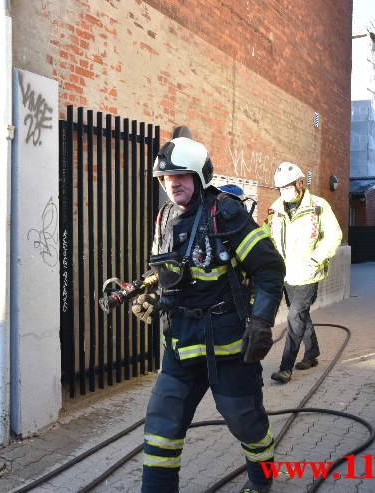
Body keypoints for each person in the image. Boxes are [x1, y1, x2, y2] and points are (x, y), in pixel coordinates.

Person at [131, 137, 285, 493]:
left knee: (246, 424)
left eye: (181, 175)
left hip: (229, 349)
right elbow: (168, 276)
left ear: (201, 175)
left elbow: (269, 269)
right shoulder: (165, 218)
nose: (173, 184)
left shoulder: (227, 214)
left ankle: (262, 483)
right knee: (160, 429)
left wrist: (262, 320)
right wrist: (155, 300)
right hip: (181, 349)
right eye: (166, 178)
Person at [264, 163, 342, 384]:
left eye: (288, 186)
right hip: (286, 275)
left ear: (300, 183)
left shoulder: (318, 206)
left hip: (308, 275)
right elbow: (267, 235)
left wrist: (316, 260)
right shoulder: (276, 208)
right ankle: (312, 353)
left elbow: (334, 235)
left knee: (294, 317)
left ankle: (285, 367)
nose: (284, 191)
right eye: (280, 188)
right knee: (301, 316)